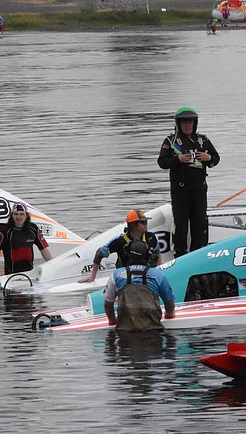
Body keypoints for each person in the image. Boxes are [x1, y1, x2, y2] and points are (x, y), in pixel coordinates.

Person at [157, 107, 219, 257]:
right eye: (184, 122)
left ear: (194, 123)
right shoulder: (170, 141)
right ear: (179, 124)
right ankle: (180, 255)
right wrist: (177, 160)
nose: (187, 125)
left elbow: (216, 158)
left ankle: (198, 255)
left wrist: (208, 158)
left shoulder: (203, 140)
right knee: (181, 225)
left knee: (199, 224)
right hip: (180, 192)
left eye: (190, 122)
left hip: (199, 190)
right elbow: (162, 162)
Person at [103, 240, 175, 332]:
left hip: (125, 333)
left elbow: (108, 304)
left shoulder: (116, 275)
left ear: (128, 255)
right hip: (153, 333)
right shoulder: (158, 274)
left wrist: (113, 321)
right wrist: (169, 315)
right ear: (147, 256)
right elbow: (170, 303)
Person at [82, 209, 160, 284]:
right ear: (133, 225)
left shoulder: (151, 237)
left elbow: (158, 254)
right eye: (143, 222)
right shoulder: (119, 241)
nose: (146, 224)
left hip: (148, 276)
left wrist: (160, 271)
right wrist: (93, 276)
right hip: (126, 278)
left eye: (146, 222)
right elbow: (99, 254)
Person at [0, 202, 54, 277]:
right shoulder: (4, 232)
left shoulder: (33, 229)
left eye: (21, 214)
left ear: (26, 215)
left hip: (29, 274)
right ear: (12, 215)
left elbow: (43, 249)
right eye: (16, 214)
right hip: (11, 276)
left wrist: (52, 265)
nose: (18, 217)